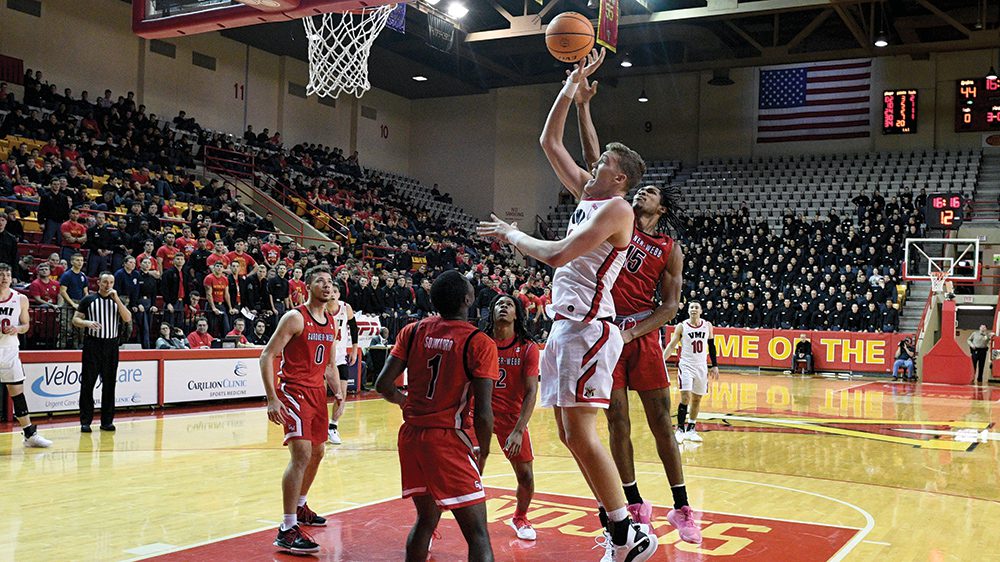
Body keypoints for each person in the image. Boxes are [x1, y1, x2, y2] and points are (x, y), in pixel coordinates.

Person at [478, 48, 657, 561]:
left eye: (603, 163)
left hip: (589, 328)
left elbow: (557, 254)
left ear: (619, 179)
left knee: (581, 432)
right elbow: (549, 142)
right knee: (567, 433)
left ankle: (628, 533)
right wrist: (572, 90)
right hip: (566, 328)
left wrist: (513, 234)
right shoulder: (592, 196)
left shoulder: (618, 209)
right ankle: (618, 526)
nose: (593, 163)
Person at [573, 71, 701, 544]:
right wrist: (584, 107)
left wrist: (634, 331)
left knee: (661, 422)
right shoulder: (615, 211)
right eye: (641, 188)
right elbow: (595, 160)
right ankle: (632, 501)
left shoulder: (669, 246)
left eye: (651, 193)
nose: (644, 193)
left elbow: (671, 307)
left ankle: (683, 506)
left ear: (662, 208)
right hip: (607, 330)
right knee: (616, 420)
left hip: (640, 335)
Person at [374, 271, 497, 562]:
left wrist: (406, 403)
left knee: (426, 522)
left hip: (412, 437)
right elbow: (483, 413)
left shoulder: (413, 330)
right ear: (468, 299)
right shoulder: (479, 342)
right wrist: (483, 451)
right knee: (478, 534)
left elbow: (382, 384)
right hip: (448, 440)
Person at [259, 265, 339, 555]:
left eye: (330, 282)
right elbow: (267, 354)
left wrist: (338, 390)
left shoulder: (331, 321)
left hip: (318, 393)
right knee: (302, 453)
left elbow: (329, 364)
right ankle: (287, 528)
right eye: (320, 281)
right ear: (307, 287)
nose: (327, 286)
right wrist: (271, 398)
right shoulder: (295, 317)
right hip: (294, 392)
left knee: (318, 452)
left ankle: (301, 506)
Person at [483, 294, 539, 540]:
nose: (502, 307)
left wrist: (518, 429)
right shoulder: (481, 341)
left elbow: (531, 392)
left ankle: (520, 517)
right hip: (479, 413)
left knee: (525, 476)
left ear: (517, 313)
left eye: (508, 304)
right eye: (498, 304)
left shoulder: (527, 347)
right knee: (464, 472)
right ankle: (432, 527)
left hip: (511, 417)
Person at [0, 264, 52, 447]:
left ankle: (29, 434)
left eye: (7, 274)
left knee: (18, 395)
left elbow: (26, 326)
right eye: (1, 275)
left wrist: (16, 329)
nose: (4, 278)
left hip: (10, 351)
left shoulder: (20, 298)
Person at [73, 272, 132, 432]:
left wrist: (118, 299)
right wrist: (86, 322)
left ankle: (107, 421)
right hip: (93, 345)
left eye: (111, 282)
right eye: (105, 282)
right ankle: (85, 421)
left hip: (111, 346)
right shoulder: (89, 299)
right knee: (87, 384)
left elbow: (127, 318)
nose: (108, 285)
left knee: (109, 385)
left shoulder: (117, 301)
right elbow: (75, 319)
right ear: (98, 282)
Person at [662, 302, 718, 443]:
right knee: (685, 397)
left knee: (697, 399)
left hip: (701, 366)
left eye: (696, 307)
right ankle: (680, 429)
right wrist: (661, 360)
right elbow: (672, 345)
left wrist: (715, 365)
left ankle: (691, 429)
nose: (693, 309)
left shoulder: (707, 325)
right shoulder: (682, 326)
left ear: (701, 310)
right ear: (688, 311)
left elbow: (711, 346)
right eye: (691, 307)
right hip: (686, 365)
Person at [326, 282, 360, 445]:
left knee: (342, 394)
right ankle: (315, 426)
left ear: (339, 294)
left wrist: (354, 350)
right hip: (322, 358)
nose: (332, 293)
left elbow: (354, 329)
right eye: (330, 291)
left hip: (339, 357)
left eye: (335, 291)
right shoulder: (320, 308)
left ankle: (333, 426)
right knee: (318, 394)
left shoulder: (345, 308)